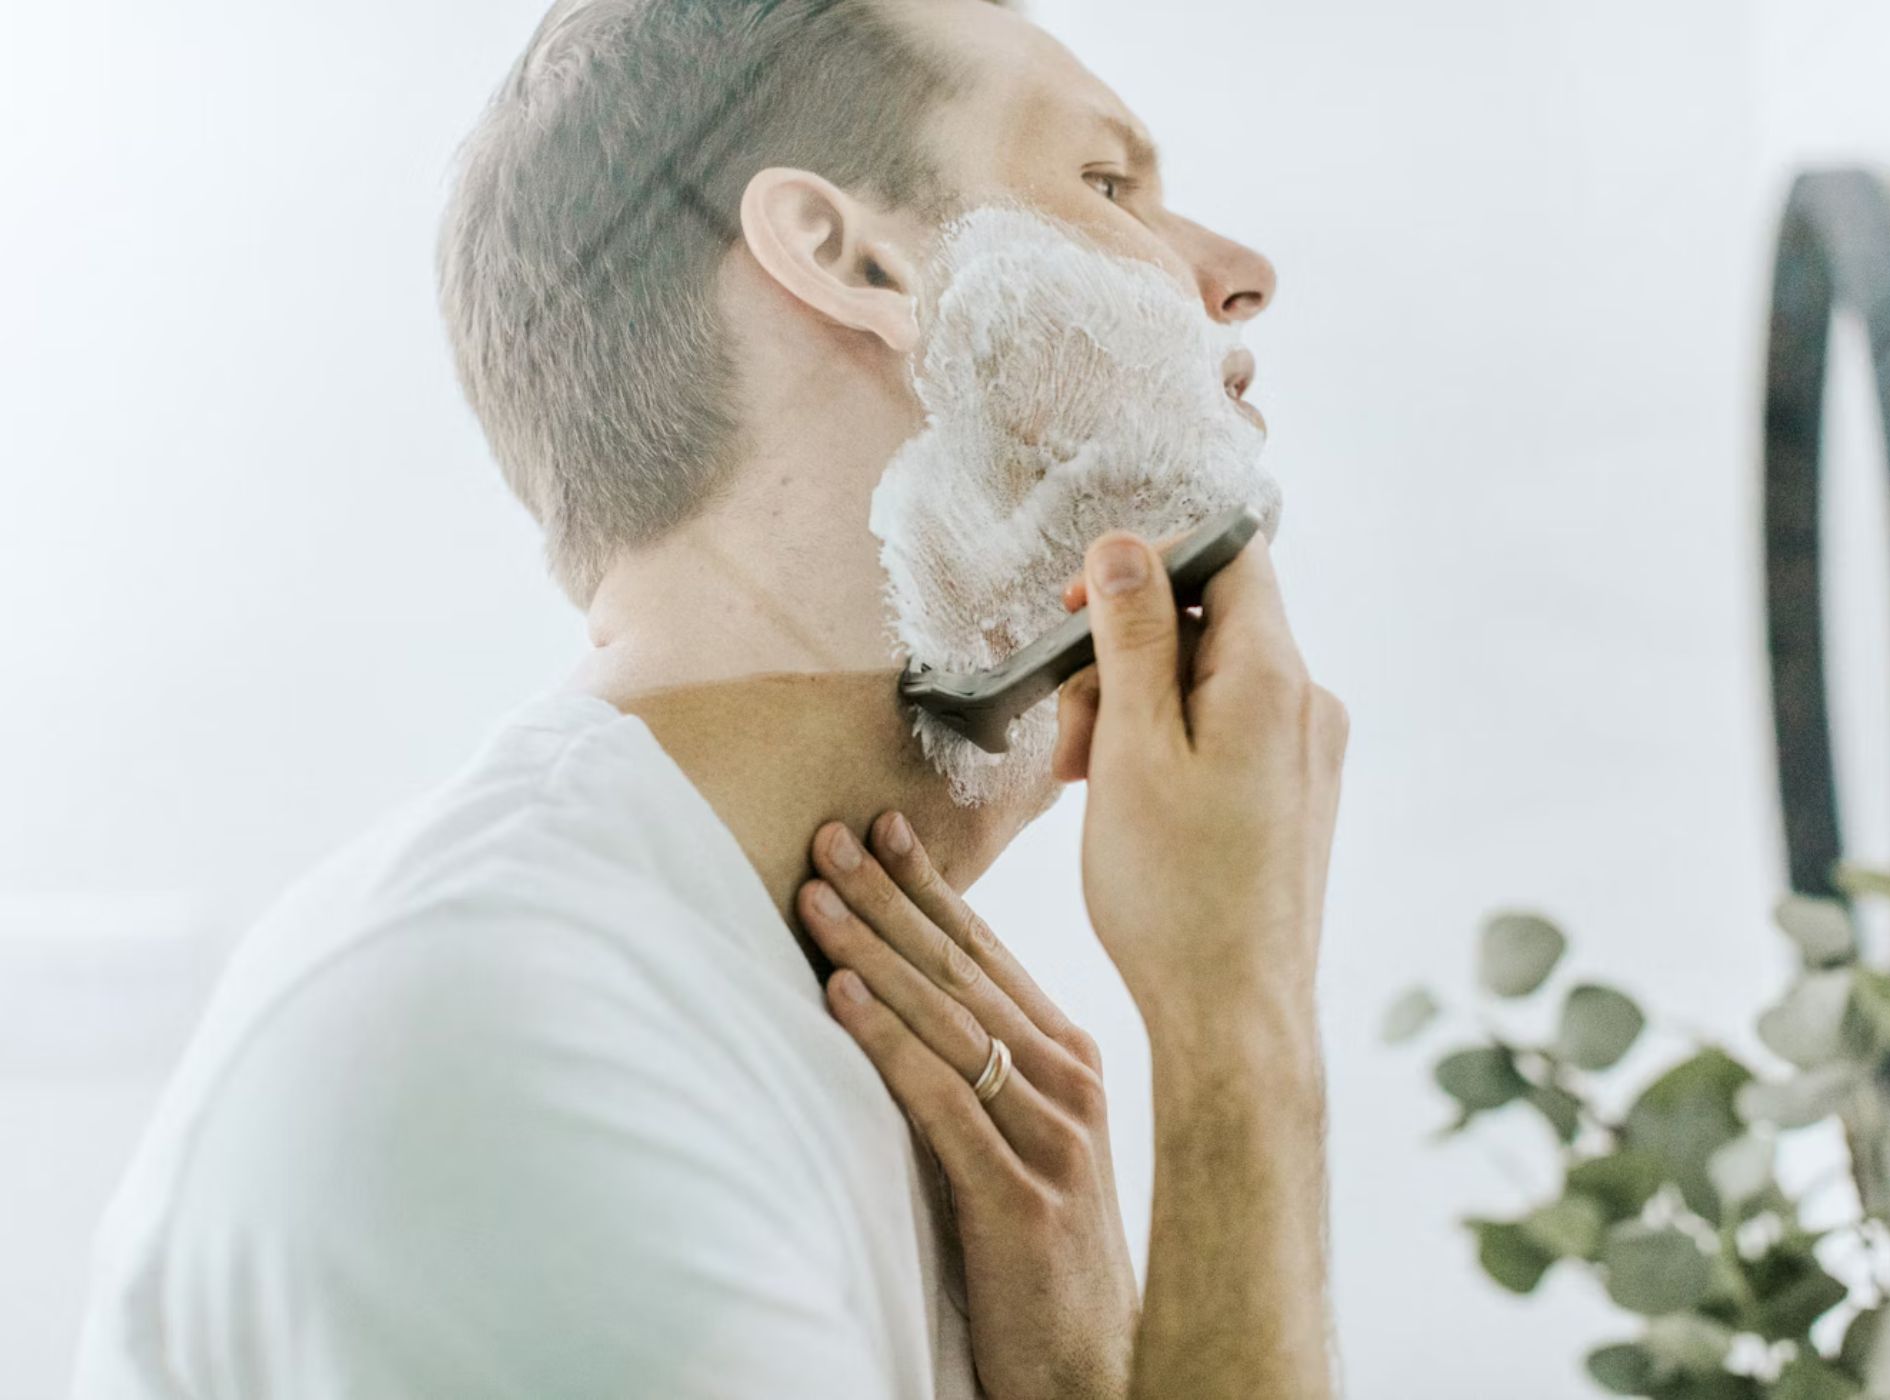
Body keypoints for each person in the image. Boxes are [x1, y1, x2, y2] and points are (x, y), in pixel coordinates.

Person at [71, 1, 1350, 1397]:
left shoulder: (869, 1082)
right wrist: (1242, 1048)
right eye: (1107, 184)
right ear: (852, 258)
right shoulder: (513, 1059)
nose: (1240, 274)